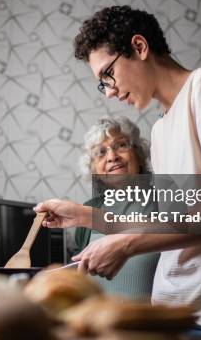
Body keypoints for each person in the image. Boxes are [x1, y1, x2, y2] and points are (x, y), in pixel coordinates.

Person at [35, 6, 201, 339]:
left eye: (108, 75)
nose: (110, 91)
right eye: (102, 84)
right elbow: (183, 219)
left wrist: (128, 245)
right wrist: (85, 216)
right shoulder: (161, 129)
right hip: (177, 312)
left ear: (140, 47)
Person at [73, 116, 159, 299]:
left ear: (139, 153)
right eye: (101, 152)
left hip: (156, 322)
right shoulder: (87, 211)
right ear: (93, 169)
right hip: (100, 322)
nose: (112, 157)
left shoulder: (165, 199)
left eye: (121, 145)